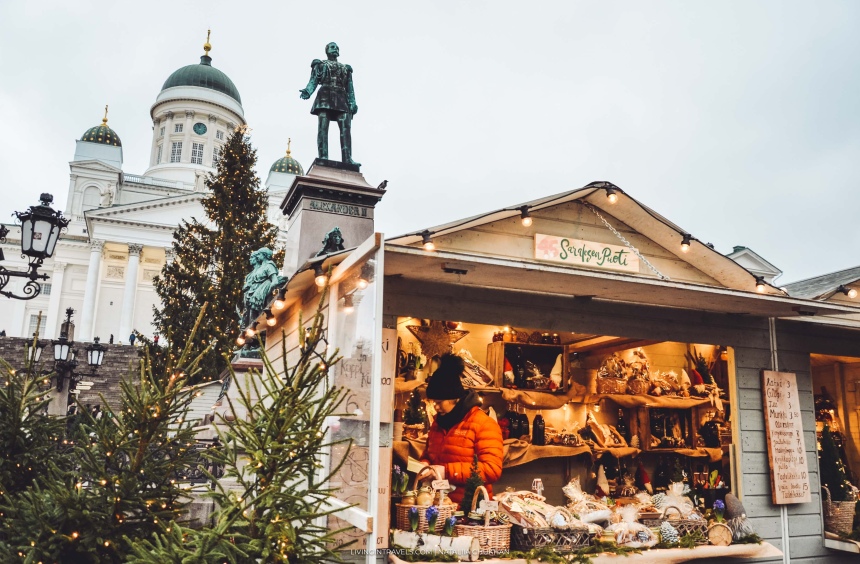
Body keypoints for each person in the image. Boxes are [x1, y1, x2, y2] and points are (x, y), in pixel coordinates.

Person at [420, 354, 503, 504]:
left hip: (470, 508)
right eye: (433, 402)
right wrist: (425, 464)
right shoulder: (438, 423)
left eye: (439, 402)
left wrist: (446, 471)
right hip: (440, 506)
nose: (436, 407)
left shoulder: (484, 424)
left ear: (454, 398)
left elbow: (492, 469)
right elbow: (429, 454)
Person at [300, 42, 360, 167]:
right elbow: (314, 81)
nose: (335, 49)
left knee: (346, 129)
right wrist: (308, 91)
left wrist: (353, 102)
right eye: (333, 47)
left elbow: (350, 88)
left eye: (337, 48)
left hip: (342, 98)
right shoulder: (320, 65)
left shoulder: (345, 68)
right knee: (323, 128)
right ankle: (323, 156)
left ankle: (347, 158)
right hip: (325, 96)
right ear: (327, 51)